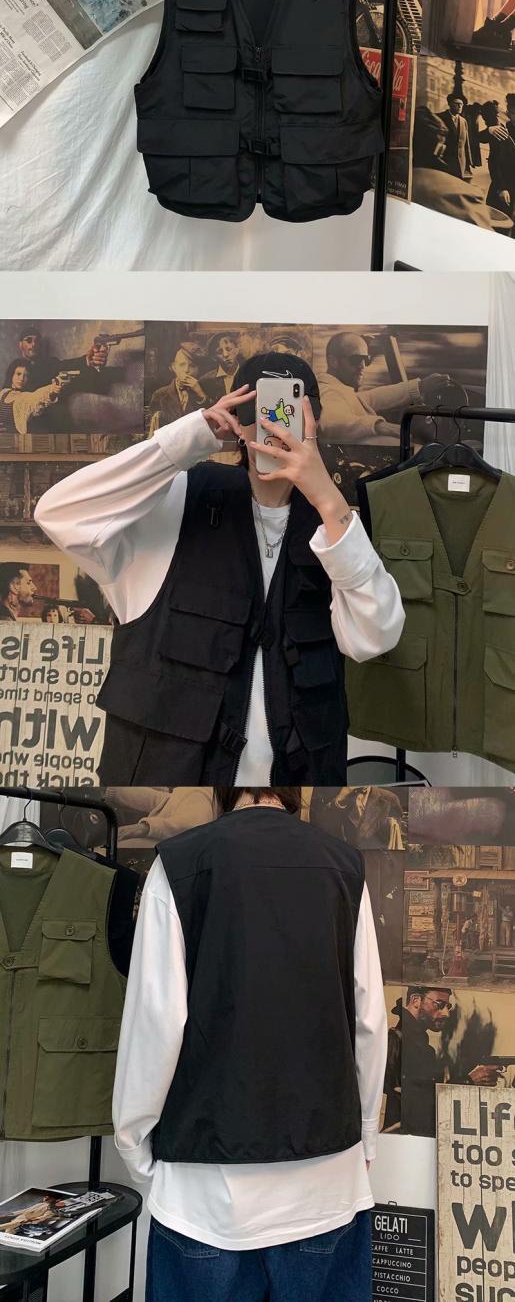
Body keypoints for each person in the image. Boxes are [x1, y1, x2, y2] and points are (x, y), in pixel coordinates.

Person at [35, 352, 405, 789]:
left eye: (291, 410)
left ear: (315, 423)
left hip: (290, 804)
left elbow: (376, 635)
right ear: (235, 420)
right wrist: (192, 436)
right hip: (169, 803)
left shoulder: (335, 527)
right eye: (258, 411)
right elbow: (58, 513)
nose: (275, 426)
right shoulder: (176, 502)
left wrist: (327, 497)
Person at [112, 786, 387, 1301]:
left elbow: (155, 1021)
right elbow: (369, 1021)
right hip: (325, 1185)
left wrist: (134, 1145)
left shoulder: (180, 863)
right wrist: (366, 1137)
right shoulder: (345, 866)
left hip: (205, 1193)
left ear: (223, 786)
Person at [393, 985, 503, 1136]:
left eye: (448, 1007)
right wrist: (470, 1080)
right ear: (415, 1000)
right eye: (439, 1005)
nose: (446, 1013)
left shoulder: (415, 1042)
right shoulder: (401, 1041)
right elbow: (417, 1101)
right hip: (408, 1137)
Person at [317, 331, 447, 445]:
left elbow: (375, 396)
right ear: (333, 361)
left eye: (366, 359)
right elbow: (332, 422)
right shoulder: (328, 391)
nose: (363, 366)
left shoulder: (340, 390)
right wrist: (381, 426)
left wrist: (420, 386)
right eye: (356, 359)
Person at [412, 105, 514, 230]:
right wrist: (501, 187)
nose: (506, 114)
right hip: (504, 185)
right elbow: (491, 155)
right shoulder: (502, 128)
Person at [148, 343, 207, 428]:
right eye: (182, 365)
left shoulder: (205, 392)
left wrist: (200, 394)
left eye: (192, 366)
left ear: (199, 369)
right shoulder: (160, 395)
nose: (186, 370)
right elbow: (154, 427)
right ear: (174, 367)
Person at [483, 93, 515, 231]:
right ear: (509, 113)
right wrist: (501, 188)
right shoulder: (501, 131)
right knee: (499, 228)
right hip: (504, 189)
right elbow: (494, 162)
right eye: (513, 112)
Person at [200, 332, 241, 405]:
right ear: (214, 357)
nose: (225, 355)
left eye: (229, 349)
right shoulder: (206, 381)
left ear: (236, 351)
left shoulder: (249, 375)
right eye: (219, 352)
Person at [437, 96, 473, 179]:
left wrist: (468, 162)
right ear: (449, 104)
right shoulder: (440, 117)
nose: (460, 106)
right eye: (457, 104)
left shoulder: (463, 121)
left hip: (460, 162)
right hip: (445, 160)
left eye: (461, 104)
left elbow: (466, 143)